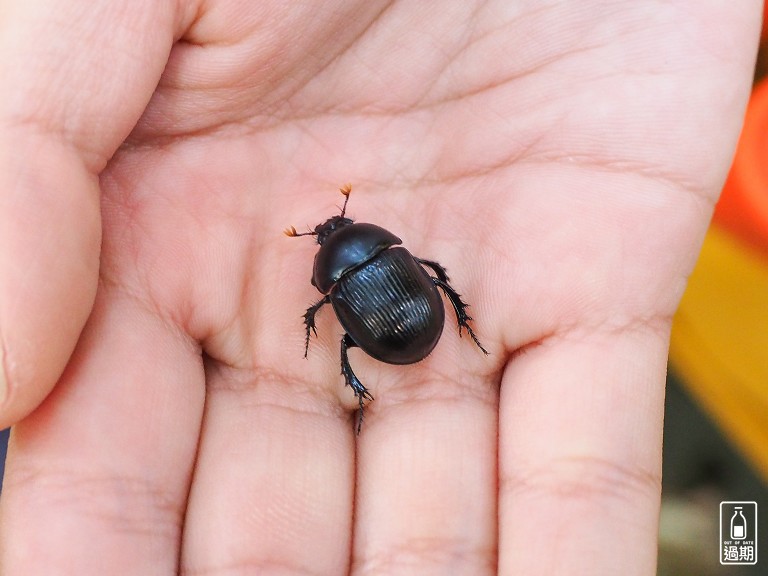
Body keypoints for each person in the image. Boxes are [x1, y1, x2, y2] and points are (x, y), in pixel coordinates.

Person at [0, 1, 761, 574]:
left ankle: (731, 517)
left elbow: (361, 297)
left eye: (333, 230)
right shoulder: (394, 262)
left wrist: (329, 333)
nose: (332, 233)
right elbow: (428, 276)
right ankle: (733, 526)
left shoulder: (333, 290)